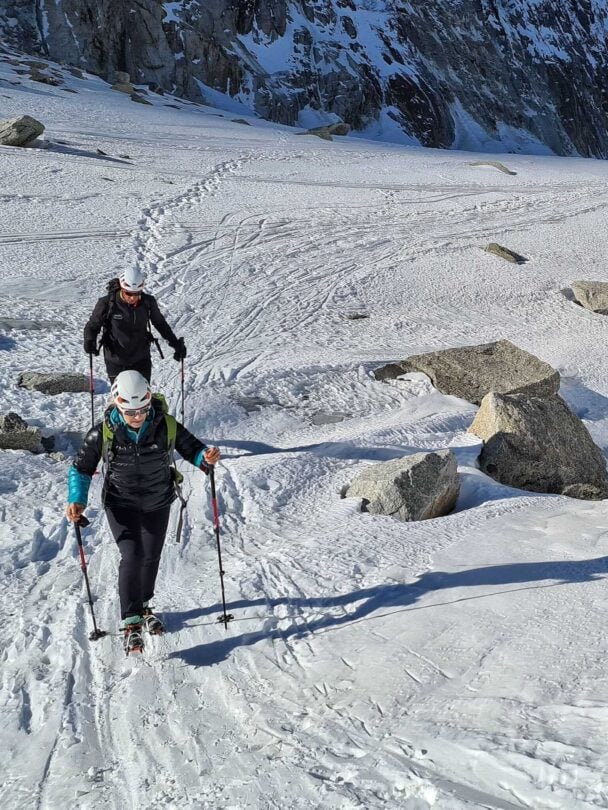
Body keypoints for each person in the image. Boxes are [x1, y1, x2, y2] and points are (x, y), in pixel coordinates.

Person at [65, 370, 220, 654]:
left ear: (149, 403)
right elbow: (81, 468)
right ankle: (131, 620)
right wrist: (77, 500)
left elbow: (193, 449)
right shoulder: (103, 431)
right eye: (129, 412)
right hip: (120, 503)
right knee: (132, 555)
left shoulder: (166, 425)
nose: (136, 417)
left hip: (157, 501)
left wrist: (205, 458)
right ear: (117, 406)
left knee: (151, 555)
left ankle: (145, 605)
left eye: (141, 410)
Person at [83, 267, 187, 384]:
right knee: (122, 398)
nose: (132, 298)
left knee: (142, 397)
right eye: (129, 293)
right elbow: (93, 325)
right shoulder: (107, 303)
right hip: (115, 359)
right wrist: (89, 340)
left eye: (137, 293)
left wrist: (176, 344)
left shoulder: (148, 302)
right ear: (122, 288)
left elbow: (160, 324)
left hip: (141, 358)